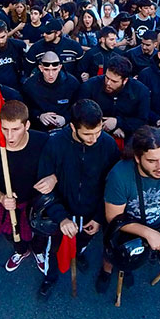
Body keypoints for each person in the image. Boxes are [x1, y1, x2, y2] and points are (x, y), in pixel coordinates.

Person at [36, 99, 120, 299]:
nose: (94, 139)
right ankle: (50, 277)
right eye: (87, 134)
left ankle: (79, 252)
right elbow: (43, 187)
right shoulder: (55, 144)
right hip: (63, 213)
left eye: (98, 131)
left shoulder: (108, 144)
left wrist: (100, 216)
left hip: (92, 213)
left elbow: (113, 186)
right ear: (72, 127)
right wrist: (61, 217)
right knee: (55, 250)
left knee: (84, 241)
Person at [103, 125, 160, 287]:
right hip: (125, 228)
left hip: (156, 223)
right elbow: (113, 218)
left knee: (133, 258)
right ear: (137, 158)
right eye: (152, 161)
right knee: (112, 253)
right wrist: (147, 233)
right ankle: (106, 271)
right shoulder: (119, 176)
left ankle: (126, 269)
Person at [0, 100, 49, 272]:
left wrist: (52, 179)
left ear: (27, 125)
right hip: (8, 204)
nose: (9, 136)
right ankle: (21, 252)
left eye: (15, 129)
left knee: (41, 234)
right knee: (11, 234)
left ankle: (38, 251)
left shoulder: (43, 141)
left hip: (37, 202)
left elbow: (58, 168)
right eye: (5, 129)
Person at [78, 56, 150, 143]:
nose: (108, 83)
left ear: (125, 80)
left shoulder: (140, 91)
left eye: (114, 81)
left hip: (128, 137)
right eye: (107, 78)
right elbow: (80, 114)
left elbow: (142, 120)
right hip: (94, 135)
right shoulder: (90, 86)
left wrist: (118, 123)